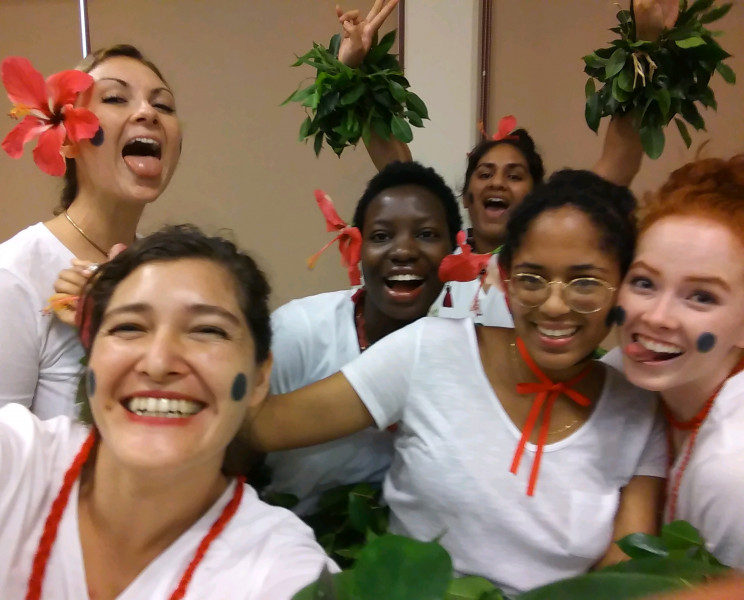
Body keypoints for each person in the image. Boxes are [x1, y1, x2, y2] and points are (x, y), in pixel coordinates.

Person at [242, 170, 667, 595]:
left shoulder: (637, 407)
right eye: (532, 279)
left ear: (625, 285)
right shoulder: (431, 351)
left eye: (586, 282)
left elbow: (623, 573)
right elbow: (265, 425)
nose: (555, 305)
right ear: (504, 275)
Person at [0, 225, 335, 600]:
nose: (159, 362)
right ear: (91, 355)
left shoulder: (282, 570)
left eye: (208, 331)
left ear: (258, 378)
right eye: (129, 327)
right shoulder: (6, 464)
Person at [332, 0, 677, 324]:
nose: (497, 183)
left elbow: (617, 164)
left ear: (535, 196)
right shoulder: (434, 256)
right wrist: (356, 71)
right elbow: (397, 169)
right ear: (466, 196)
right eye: (485, 174)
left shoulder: (550, 262)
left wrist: (645, 46)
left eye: (514, 176)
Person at [0, 44, 181, 418]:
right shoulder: (9, 279)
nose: (148, 113)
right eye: (117, 97)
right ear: (67, 140)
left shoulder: (166, 276)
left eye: (163, 105)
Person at [264, 161, 461, 514]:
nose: (403, 251)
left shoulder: (463, 357)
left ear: (455, 250)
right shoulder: (298, 332)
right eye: (382, 236)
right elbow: (231, 449)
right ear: (356, 248)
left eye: (427, 234)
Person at [611, 155, 744, 568]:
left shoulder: (732, 470)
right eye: (644, 282)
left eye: (701, 296)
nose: (655, 317)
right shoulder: (616, 377)